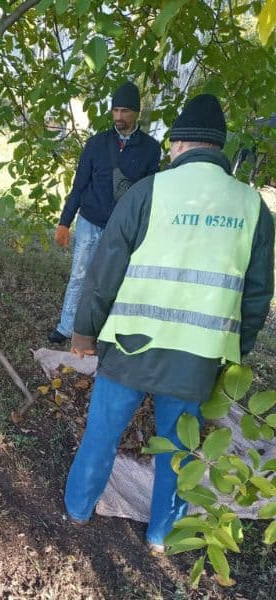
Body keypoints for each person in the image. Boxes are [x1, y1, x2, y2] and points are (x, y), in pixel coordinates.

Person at [64, 94, 274, 553]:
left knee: (101, 434)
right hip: (197, 358)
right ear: (219, 150)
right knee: (179, 451)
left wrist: (84, 332)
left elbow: (105, 272)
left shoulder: (148, 192)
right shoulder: (254, 208)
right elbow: (257, 296)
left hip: (130, 348)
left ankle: (78, 511)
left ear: (178, 145)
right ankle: (161, 536)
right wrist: (233, 353)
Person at [48, 82, 162, 344]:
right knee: (79, 276)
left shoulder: (150, 149)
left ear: (136, 113)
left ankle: (101, 333)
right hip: (89, 221)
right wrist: (65, 222)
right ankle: (66, 327)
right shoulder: (97, 144)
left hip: (122, 228)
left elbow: (149, 194)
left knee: (113, 281)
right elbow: (79, 185)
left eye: (125, 111)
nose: (119, 117)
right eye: (115, 110)